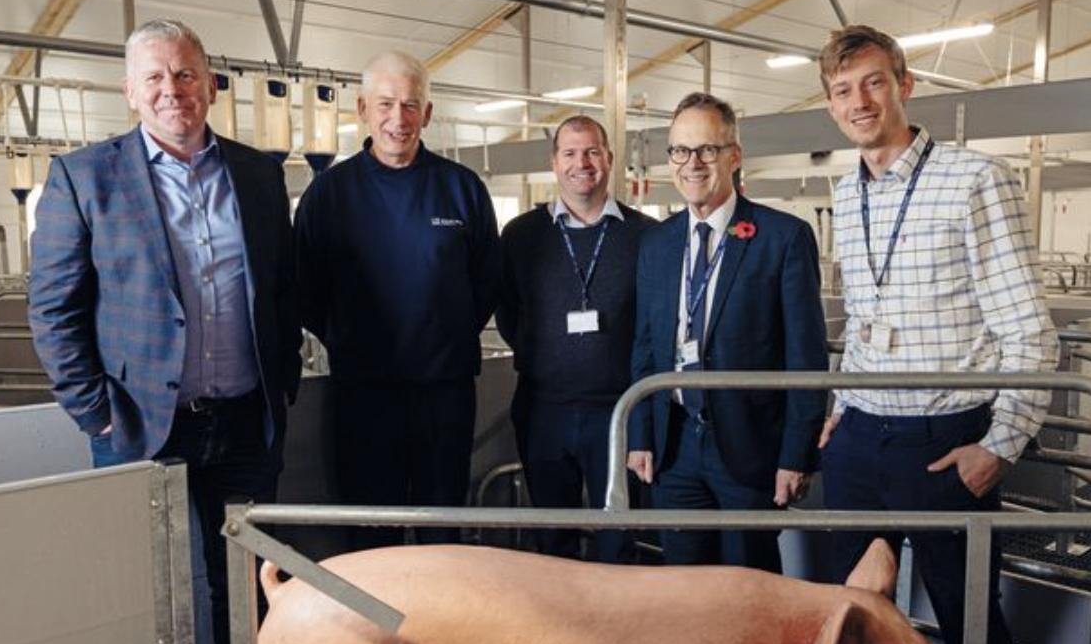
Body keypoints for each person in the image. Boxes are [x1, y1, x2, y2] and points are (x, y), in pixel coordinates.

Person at [29, 18, 301, 644]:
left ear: (209, 83)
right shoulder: (83, 178)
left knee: (248, 593)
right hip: (139, 429)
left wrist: (280, 384)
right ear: (130, 90)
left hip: (243, 427)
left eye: (184, 73)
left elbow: (284, 288)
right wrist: (97, 413)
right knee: (156, 600)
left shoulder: (260, 175)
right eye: (154, 76)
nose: (171, 89)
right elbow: (52, 309)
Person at [816, 24, 1057, 644]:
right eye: (843, 90)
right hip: (862, 433)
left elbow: (1028, 328)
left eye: (874, 82)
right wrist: (840, 406)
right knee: (857, 608)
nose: (860, 102)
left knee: (968, 613)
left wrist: (1001, 445)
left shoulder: (976, 178)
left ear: (905, 85)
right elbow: (865, 318)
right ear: (830, 104)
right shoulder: (846, 193)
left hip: (944, 434)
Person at [295, 50, 501, 550]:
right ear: (363, 108)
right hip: (363, 394)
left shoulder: (462, 189)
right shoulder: (329, 194)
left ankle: (439, 628)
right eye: (386, 104)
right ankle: (374, 628)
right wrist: (352, 340)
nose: (398, 118)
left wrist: (441, 336)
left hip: (444, 392)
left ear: (427, 114)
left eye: (411, 105)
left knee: (442, 522)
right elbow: (304, 288)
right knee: (370, 526)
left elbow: (487, 283)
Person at [626, 92, 828, 572]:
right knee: (684, 588)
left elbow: (806, 355)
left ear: (734, 156)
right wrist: (641, 434)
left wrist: (796, 455)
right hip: (673, 449)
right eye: (680, 150)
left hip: (748, 447)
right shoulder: (657, 243)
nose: (691, 164)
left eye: (707, 150)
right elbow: (646, 346)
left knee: (749, 586)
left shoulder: (782, 237)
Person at [496, 115, 655, 561]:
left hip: (619, 413)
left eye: (591, 152)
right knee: (552, 538)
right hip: (543, 408)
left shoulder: (645, 236)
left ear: (608, 158)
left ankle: (618, 626)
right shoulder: (521, 235)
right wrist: (538, 348)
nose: (580, 163)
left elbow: (654, 323)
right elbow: (507, 308)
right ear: (554, 162)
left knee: (619, 538)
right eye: (569, 153)